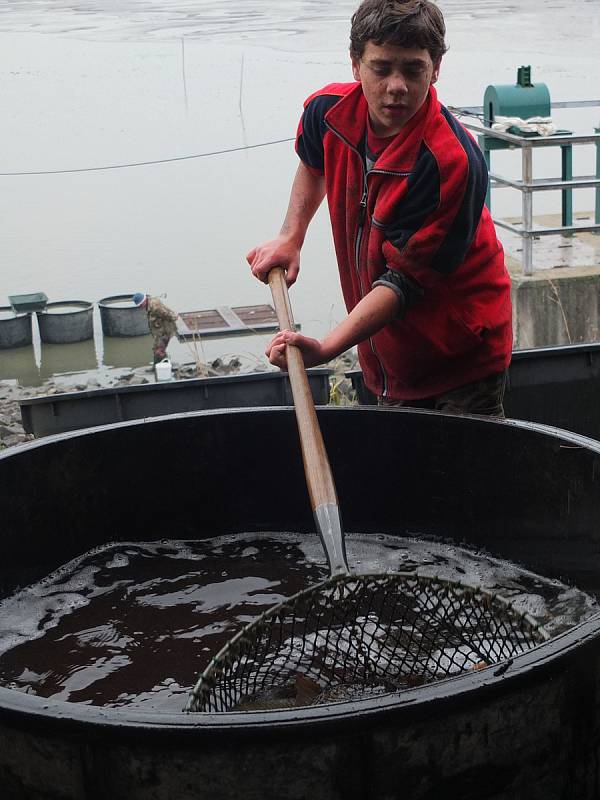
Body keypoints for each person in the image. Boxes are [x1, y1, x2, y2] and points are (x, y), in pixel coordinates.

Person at [246, 0, 512, 416]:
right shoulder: (327, 113)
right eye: (381, 67)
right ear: (356, 64)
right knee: (399, 471)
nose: (396, 87)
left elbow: (403, 282)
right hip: (387, 353)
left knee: (459, 476)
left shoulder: (447, 161)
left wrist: (328, 347)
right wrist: (291, 236)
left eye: (413, 69)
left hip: (460, 352)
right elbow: (313, 163)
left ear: (436, 68)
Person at [132, 292, 179, 364]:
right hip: (159, 331)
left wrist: (175, 317)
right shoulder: (149, 304)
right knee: (156, 349)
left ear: (144, 301)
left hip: (165, 330)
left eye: (141, 305)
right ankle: (157, 366)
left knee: (159, 351)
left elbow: (166, 313)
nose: (140, 307)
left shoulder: (155, 306)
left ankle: (165, 367)